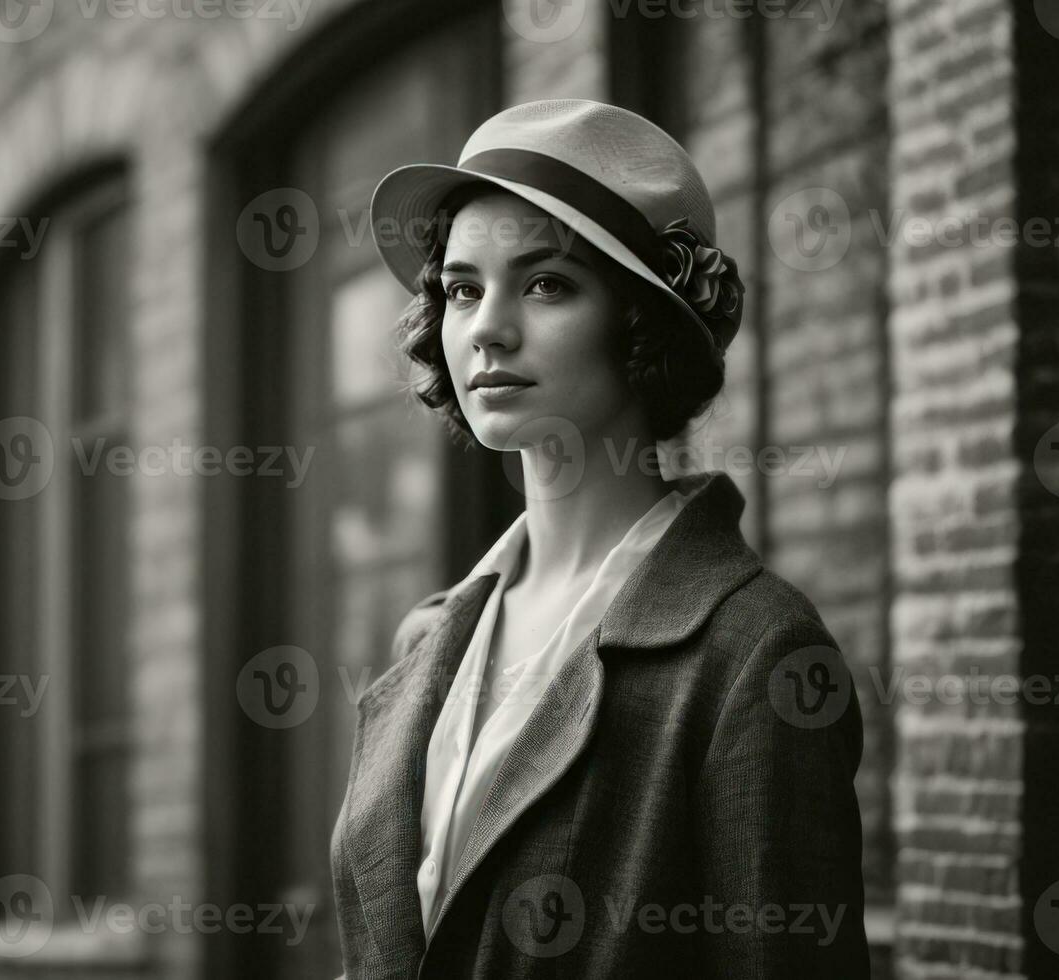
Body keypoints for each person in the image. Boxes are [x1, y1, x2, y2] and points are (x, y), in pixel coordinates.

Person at [329, 99, 869, 979]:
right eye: (463, 288)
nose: (487, 328)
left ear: (640, 326)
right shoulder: (428, 639)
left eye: (546, 284)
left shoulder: (754, 652)